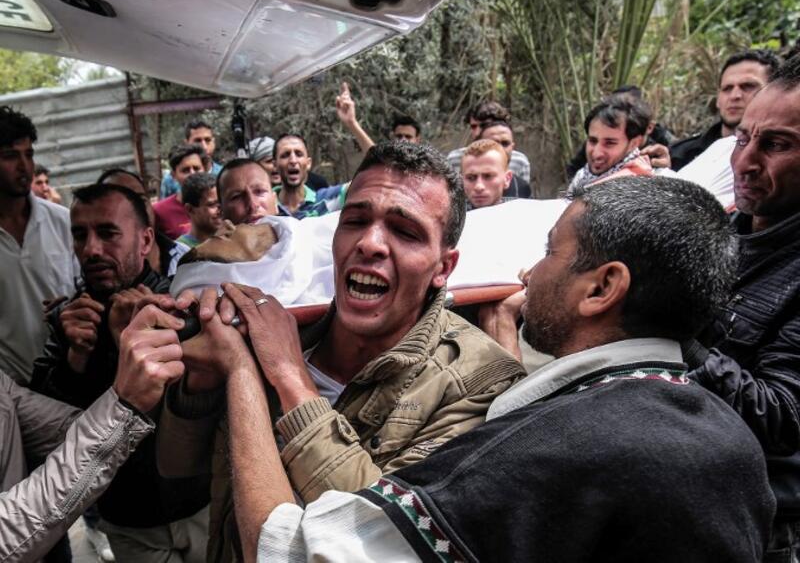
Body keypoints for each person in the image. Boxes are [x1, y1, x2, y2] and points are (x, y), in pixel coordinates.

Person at [184, 176, 774, 562]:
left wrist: (249, 375)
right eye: (354, 222)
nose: (526, 274)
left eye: (549, 253)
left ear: (603, 287)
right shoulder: (729, 435)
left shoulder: (546, 442)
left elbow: (288, 549)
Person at [163, 141, 525, 562]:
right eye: (355, 220)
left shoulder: (481, 383)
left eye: (405, 232)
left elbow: (381, 537)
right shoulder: (271, 330)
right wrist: (202, 382)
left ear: (443, 267)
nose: (370, 243)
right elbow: (178, 469)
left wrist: (289, 377)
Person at [29, 183, 210, 562]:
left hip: (202, 502)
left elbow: (202, 401)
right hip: (129, 517)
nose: (92, 249)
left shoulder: (181, 300)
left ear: (145, 241)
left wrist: (137, 340)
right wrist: (76, 358)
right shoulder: (72, 320)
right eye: (80, 235)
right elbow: (45, 429)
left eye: (108, 233)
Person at [681, 53, 800, 559]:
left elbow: (781, 416)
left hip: (749, 528)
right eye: (743, 139)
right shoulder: (720, 238)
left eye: (776, 145)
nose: (745, 163)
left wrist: (669, 330)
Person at [0, 304, 187, 562]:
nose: (93, 259)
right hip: (124, 525)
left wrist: (124, 362)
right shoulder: (67, 326)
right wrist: (122, 404)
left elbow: (66, 429)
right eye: (81, 258)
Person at [0, 106, 78, 384]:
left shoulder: (63, 222)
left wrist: (74, 303)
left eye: (29, 154)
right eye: (10, 156)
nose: (25, 167)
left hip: (70, 375)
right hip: (9, 391)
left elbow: (89, 289)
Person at [670, 49, 780, 171]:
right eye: (727, 88)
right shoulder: (679, 155)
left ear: (775, 93)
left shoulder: (787, 156)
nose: (734, 96)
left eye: (748, 86)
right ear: (718, 99)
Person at [567, 94, 673, 195]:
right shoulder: (581, 177)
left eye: (610, 143)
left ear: (634, 143)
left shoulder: (656, 184)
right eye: (592, 141)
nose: (596, 153)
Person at [97, 167, 189, 277]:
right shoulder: (101, 274)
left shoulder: (185, 255)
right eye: (119, 206)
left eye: (140, 200)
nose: (136, 211)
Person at [446, 100, 532, 184]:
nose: (477, 132)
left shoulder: (519, 161)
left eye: (483, 125)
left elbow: (522, 195)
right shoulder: (455, 158)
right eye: (473, 126)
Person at [272, 133, 347, 219]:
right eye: (285, 155)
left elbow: (364, 184)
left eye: (299, 154)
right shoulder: (263, 204)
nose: (293, 160)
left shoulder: (323, 200)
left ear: (308, 163)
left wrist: (353, 124)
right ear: (275, 165)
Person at [334, 82, 422, 152]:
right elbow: (373, 154)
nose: (403, 140)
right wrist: (351, 122)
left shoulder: (426, 166)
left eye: (408, 137)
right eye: (399, 136)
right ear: (392, 138)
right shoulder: (388, 163)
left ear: (417, 140)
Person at [153, 144, 206, 239]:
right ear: (173, 175)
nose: (192, 174)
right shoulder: (160, 212)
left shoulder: (219, 204)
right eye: (185, 170)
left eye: (196, 168)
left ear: (205, 169)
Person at [161, 120, 223, 198]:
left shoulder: (223, 175)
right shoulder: (170, 180)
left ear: (214, 141)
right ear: (187, 143)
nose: (204, 146)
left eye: (207, 140)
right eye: (197, 141)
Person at [217, 158, 281, 225]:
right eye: (237, 197)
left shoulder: (292, 231)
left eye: (259, 191)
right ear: (221, 212)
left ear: (275, 201)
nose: (252, 205)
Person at [478, 121, 532, 198]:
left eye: (505, 143)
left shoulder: (522, 188)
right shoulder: (463, 187)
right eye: (493, 143)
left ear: (512, 147)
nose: (500, 148)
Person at [461, 138, 513, 209]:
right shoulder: (449, 218)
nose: (479, 186)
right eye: (471, 178)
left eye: (488, 176)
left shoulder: (524, 216)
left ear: (507, 179)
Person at [177, 172, 222, 248]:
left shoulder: (232, 241)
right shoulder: (181, 251)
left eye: (222, 202)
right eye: (211, 204)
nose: (221, 210)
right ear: (190, 209)